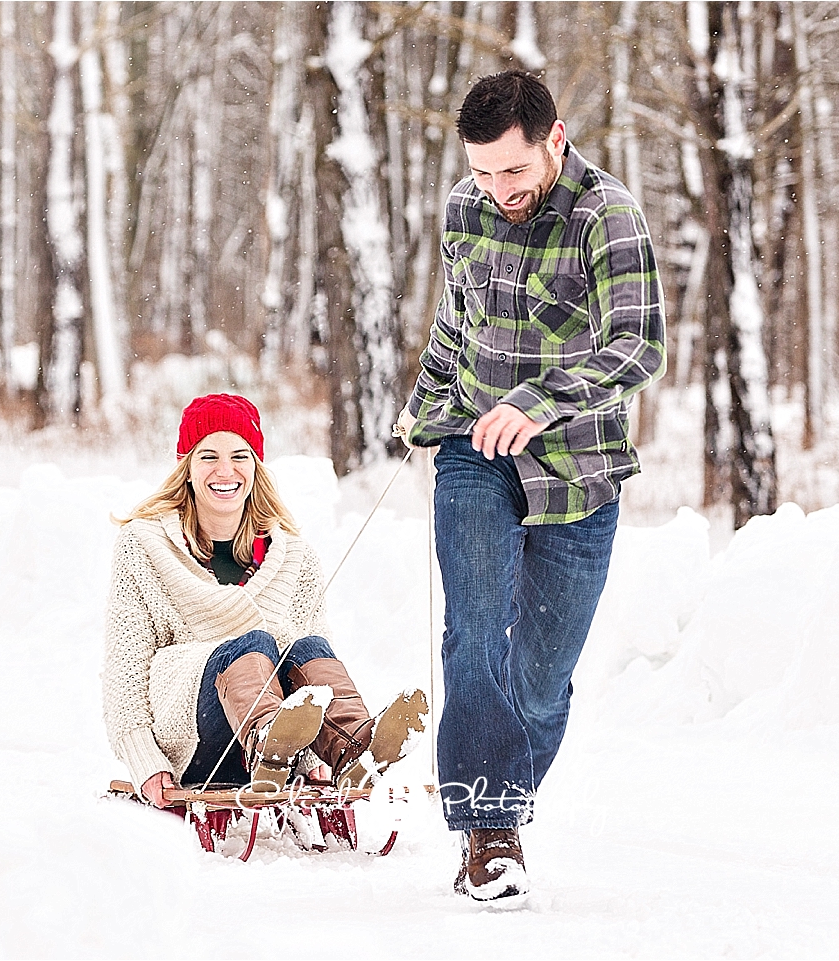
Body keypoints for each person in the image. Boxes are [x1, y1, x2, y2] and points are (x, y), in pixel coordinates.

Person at [396, 71, 666, 903]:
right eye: (482, 173)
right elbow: (456, 320)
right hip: (475, 451)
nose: (497, 191)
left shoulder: (607, 217)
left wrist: (540, 400)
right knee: (474, 631)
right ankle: (491, 832)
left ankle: (500, 793)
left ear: (554, 139)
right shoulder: (464, 209)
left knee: (542, 679)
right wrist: (423, 402)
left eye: (512, 172)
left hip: (580, 474)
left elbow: (638, 349)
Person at [104, 393, 428, 810]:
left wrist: (313, 754)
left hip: (284, 755)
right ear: (186, 468)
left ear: (256, 466)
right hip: (194, 734)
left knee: (309, 648)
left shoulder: (294, 556)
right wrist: (144, 761)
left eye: (240, 455)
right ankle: (267, 743)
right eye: (208, 457)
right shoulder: (145, 546)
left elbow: (312, 675)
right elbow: (124, 668)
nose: (225, 471)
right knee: (253, 643)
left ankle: (353, 749)